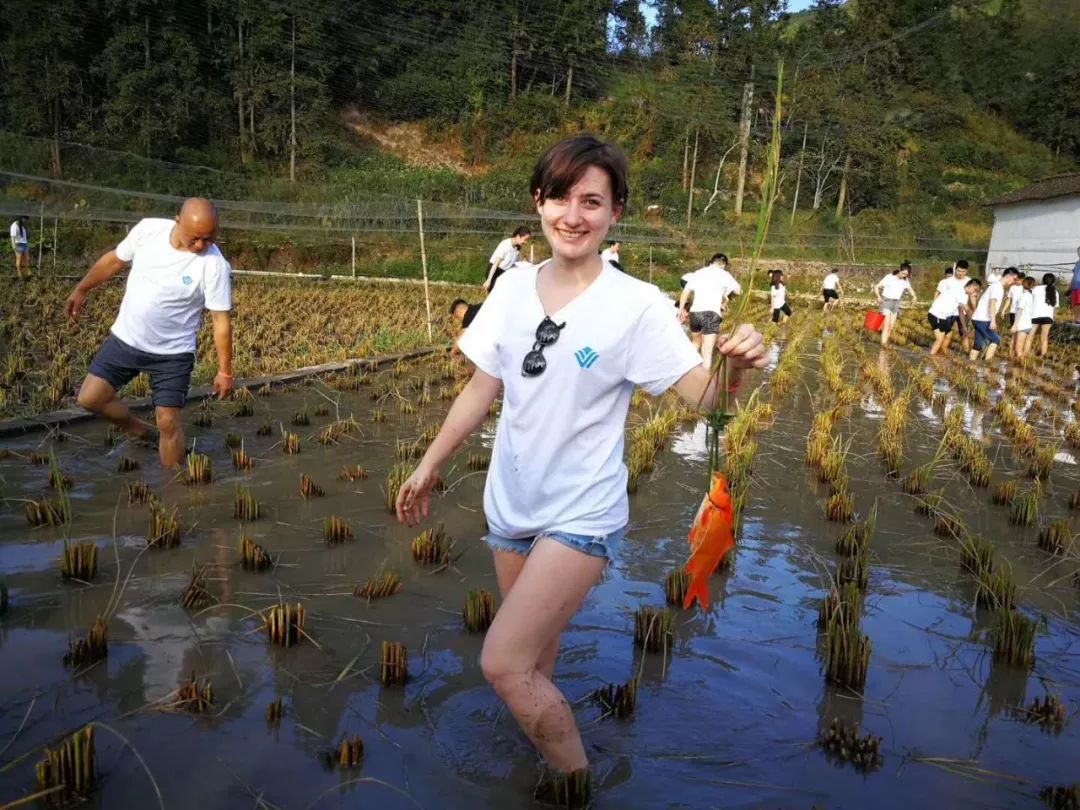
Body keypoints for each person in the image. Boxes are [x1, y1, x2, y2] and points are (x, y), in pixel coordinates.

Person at [394, 135, 766, 796]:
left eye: (591, 200)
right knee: (533, 659)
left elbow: (706, 402)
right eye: (560, 196)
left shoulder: (639, 304)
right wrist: (428, 465)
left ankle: (575, 786)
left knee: (503, 665)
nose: (573, 213)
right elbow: (482, 388)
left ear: (614, 212)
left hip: (580, 512)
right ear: (538, 202)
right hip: (509, 506)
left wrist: (734, 370)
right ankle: (541, 745)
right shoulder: (509, 289)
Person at [65, 199, 233, 466]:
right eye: (195, 238)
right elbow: (113, 261)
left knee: (168, 421)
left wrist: (224, 371)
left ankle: (171, 491)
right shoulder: (148, 231)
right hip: (126, 340)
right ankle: (140, 431)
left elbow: (220, 320)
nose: (202, 245)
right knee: (90, 398)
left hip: (173, 354)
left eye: (209, 238)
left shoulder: (214, 266)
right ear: (177, 221)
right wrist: (82, 289)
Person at [677, 253, 741, 368]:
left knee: (696, 342)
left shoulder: (699, 272)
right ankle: (704, 383)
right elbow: (738, 291)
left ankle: (683, 370)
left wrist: (681, 310)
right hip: (711, 313)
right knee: (707, 352)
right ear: (724, 264)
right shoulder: (724, 274)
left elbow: (686, 291)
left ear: (711, 262)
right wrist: (726, 296)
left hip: (695, 313)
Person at [969, 266, 1020, 362]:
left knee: (978, 344)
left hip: (978, 318)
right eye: (1014, 279)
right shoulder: (997, 287)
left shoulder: (996, 286)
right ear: (1008, 276)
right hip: (983, 319)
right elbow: (991, 304)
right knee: (995, 339)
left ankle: (970, 364)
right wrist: (993, 321)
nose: (1014, 282)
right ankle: (987, 364)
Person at [928, 275, 978, 356]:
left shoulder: (963, 293)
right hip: (937, 315)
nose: (975, 293)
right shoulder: (960, 292)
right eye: (975, 290)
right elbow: (967, 309)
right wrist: (975, 320)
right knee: (939, 339)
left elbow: (960, 312)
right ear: (970, 286)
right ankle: (930, 358)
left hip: (942, 317)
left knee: (948, 335)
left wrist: (964, 327)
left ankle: (941, 353)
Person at [929, 261, 970, 354]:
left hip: (961, 313)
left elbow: (972, 296)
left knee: (964, 334)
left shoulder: (969, 282)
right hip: (948, 313)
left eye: (963, 271)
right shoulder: (947, 281)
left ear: (967, 271)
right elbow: (938, 294)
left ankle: (969, 356)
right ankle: (941, 353)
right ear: (955, 269)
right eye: (959, 271)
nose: (961, 273)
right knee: (947, 335)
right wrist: (935, 307)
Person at [874, 261, 917, 348]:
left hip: (896, 303)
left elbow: (910, 289)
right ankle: (884, 345)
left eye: (906, 274)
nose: (904, 275)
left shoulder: (905, 280)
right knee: (886, 325)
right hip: (886, 302)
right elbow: (876, 286)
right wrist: (878, 296)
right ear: (899, 270)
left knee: (891, 326)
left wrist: (914, 296)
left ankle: (884, 343)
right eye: (903, 273)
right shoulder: (889, 277)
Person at [482, 226, 532, 293]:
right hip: (494, 271)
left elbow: (511, 264)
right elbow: (496, 263)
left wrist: (523, 265)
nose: (526, 242)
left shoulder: (517, 248)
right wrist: (489, 280)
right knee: (496, 295)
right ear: (518, 236)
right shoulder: (505, 244)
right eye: (525, 239)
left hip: (504, 273)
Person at [1030, 272, 1059, 357]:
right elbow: (1055, 306)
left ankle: (1025, 354)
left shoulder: (1036, 289)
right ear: (1053, 281)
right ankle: (1043, 356)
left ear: (1043, 280)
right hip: (1048, 316)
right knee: (1044, 337)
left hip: (1035, 315)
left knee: (1030, 335)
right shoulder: (1055, 291)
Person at [1010, 276, 1035, 359]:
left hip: (1022, 325)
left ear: (1023, 283)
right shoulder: (1031, 296)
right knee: (1020, 349)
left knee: (1018, 349)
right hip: (1028, 325)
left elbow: (1019, 311)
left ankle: (1022, 366)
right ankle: (1019, 366)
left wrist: (1015, 325)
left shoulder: (1024, 296)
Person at [1070, 247, 1080, 324]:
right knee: (1075, 303)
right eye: (1078, 252)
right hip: (1074, 286)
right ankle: (1076, 319)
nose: (1079, 253)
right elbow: (1074, 275)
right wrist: (1070, 286)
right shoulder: (1077, 262)